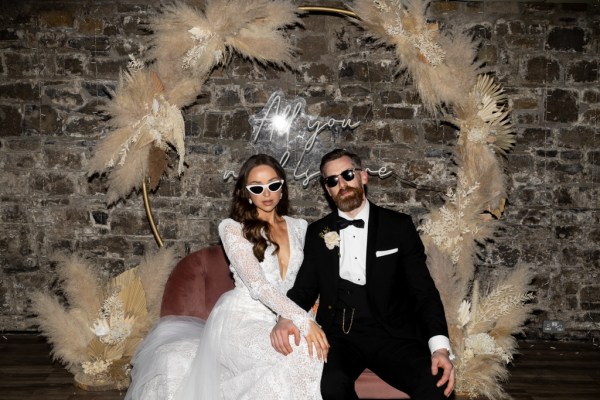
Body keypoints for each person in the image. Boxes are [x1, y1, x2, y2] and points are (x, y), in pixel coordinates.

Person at [126, 154, 328, 399]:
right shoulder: (232, 229)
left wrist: (304, 317)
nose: (267, 193)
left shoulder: (300, 227)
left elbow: (307, 282)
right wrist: (301, 320)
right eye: (257, 187)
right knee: (301, 351)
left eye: (274, 185)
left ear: (283, 188)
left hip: (285, 317)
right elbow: (258, 284)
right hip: (242, 319)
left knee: (311, 352)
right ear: (246, 193)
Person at [271, 148, 455, 399]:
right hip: (339, 336)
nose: (342, 184)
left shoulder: (398, 227)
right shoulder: (318, 232)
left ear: (363, 176)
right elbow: (304, 289)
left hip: (392, 334)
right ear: (327, 189)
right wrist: (285, 317)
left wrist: (440, 349)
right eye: (332, 181)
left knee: (435, 385)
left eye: (347, 175)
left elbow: (423, 292)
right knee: (331, 385)